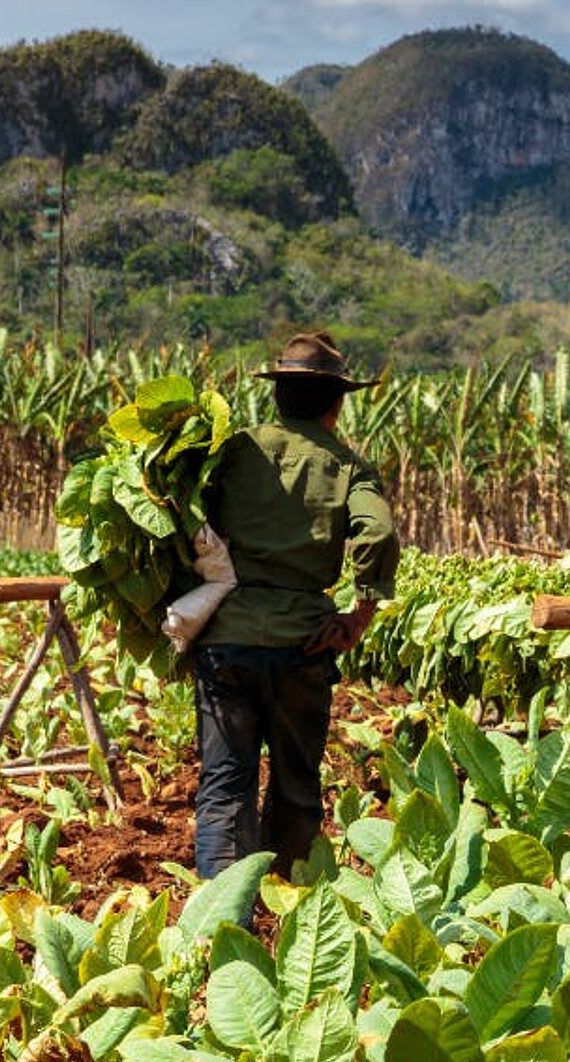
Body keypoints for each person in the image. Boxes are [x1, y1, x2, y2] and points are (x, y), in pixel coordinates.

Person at [188, 331, 399, 880]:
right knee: (295, 787)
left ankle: (223, 923)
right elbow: (377, 534)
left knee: (224, 785)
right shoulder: (347, 466)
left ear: (277, 396)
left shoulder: (234, 452)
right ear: (336, 403)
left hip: (226, 640)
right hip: (301, 648)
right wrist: (360, 616)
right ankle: (287, 915)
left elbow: (183, 522)